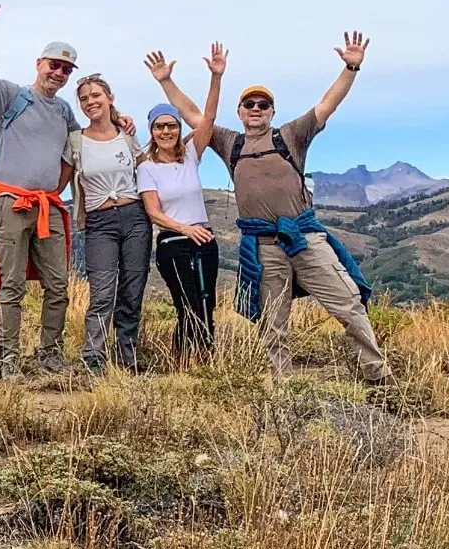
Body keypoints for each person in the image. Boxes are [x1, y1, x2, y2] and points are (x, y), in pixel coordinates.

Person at [149, 33, 388, 383]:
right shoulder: (230, 143)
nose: (256, 109)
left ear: (272, 112)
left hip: (305, 239)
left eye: (263, 105)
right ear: (240, 112)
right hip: (264, 247)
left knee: (348, 303)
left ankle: (377, 374)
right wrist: (167, 81)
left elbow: (327, 104)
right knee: (272, 322)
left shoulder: (290, 136)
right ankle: (282, 387)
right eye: (249, 104)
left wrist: (351, 68)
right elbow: (193, 115)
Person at [0, 0, 80, 378]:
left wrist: (119, 119)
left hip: (47, 206)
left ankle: (49, 356)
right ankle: (8, 360)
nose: (59, 73)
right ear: (39, 64)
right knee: (11, 284)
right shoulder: (14, 96)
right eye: (54, 65)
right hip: (12, 203)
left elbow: (79, 146)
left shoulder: (64, 111)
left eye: (66, 69)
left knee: (58, 285)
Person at [136, 44, 226, 362]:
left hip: (205, 240)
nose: (166, 131)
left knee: (206, 302)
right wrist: (185, 229)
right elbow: (153, 212)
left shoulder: (190, 155)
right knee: (187, 304)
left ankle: (204, 361)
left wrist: (216, 77)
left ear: (178, 128)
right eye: (159, 126)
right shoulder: (147, 168)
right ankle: (181, 361)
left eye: (171, 125)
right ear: (152, 131)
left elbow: (208, 119)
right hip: (174, 243)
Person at [70, 74, 151, 374]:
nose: (90, 102)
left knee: (133, 288)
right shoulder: (75, 140)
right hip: (99, 221)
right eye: (84, 98)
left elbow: (147, 171)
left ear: (109, 98)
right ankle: (94, 357)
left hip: (135, 217)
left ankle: (127, 355)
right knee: (102, 291)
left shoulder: (126, 136)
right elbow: (62, 179)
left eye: (96, 95)